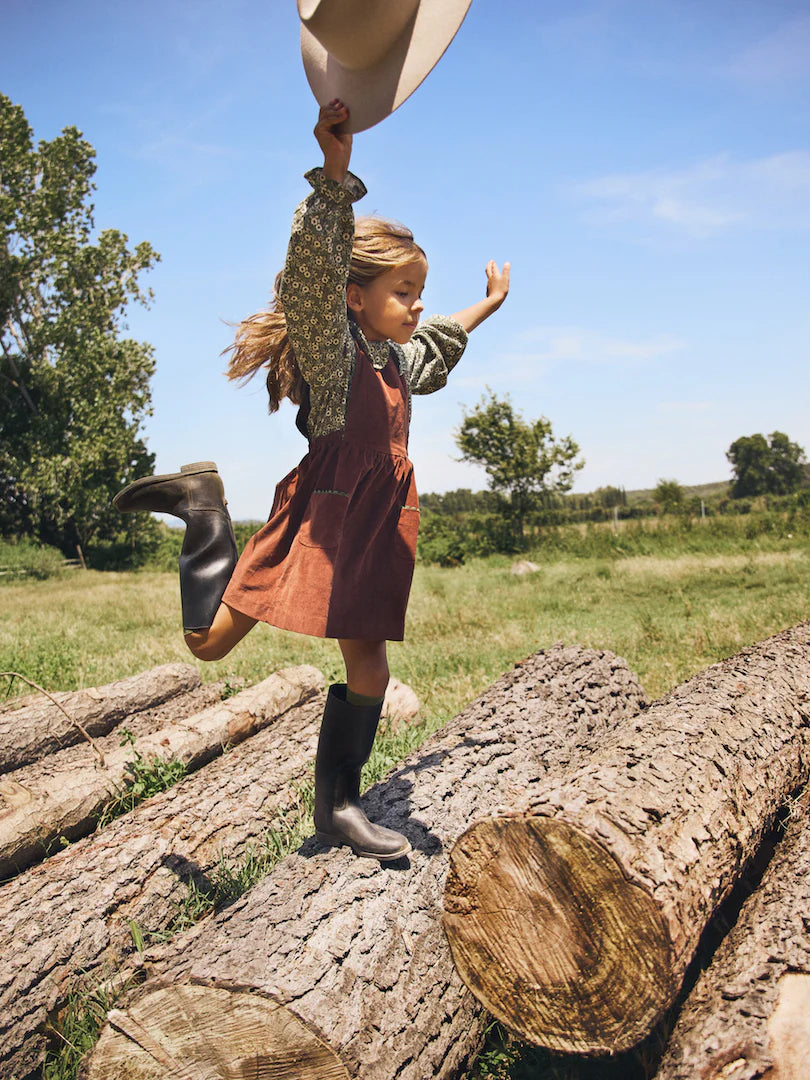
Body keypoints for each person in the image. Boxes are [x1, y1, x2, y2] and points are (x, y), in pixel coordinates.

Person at [114, 100, 510, 860]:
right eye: (403, 291)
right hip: (320, 523)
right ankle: (204, 512)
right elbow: (311, 276)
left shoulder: (397, 359)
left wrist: (485, 305)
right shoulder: (336, 355)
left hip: (376, 526)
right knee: (209, 644)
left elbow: (438, 340)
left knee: (370, 663)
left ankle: (339, 809)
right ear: (354, 298)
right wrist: (334, 179)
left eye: (419, 289)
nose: (417, 303)